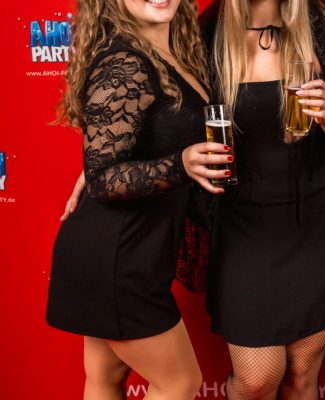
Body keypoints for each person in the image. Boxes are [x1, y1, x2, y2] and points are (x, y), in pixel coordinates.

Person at [46, 1, 230, 399]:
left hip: (133, 251)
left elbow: (123, 152)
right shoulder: (124, 63)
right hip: (116, 258)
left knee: (104, 378)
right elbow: (103, 179)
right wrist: (181, 164)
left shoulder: (178, 53)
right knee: (179, 382)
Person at [200, 1, 325, 398]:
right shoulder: (207, 34)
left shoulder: (318, 27)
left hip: (317, 222)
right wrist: (104, 164)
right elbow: (164, 112)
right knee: (257, 379)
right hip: (245, 228)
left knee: (302, 375)